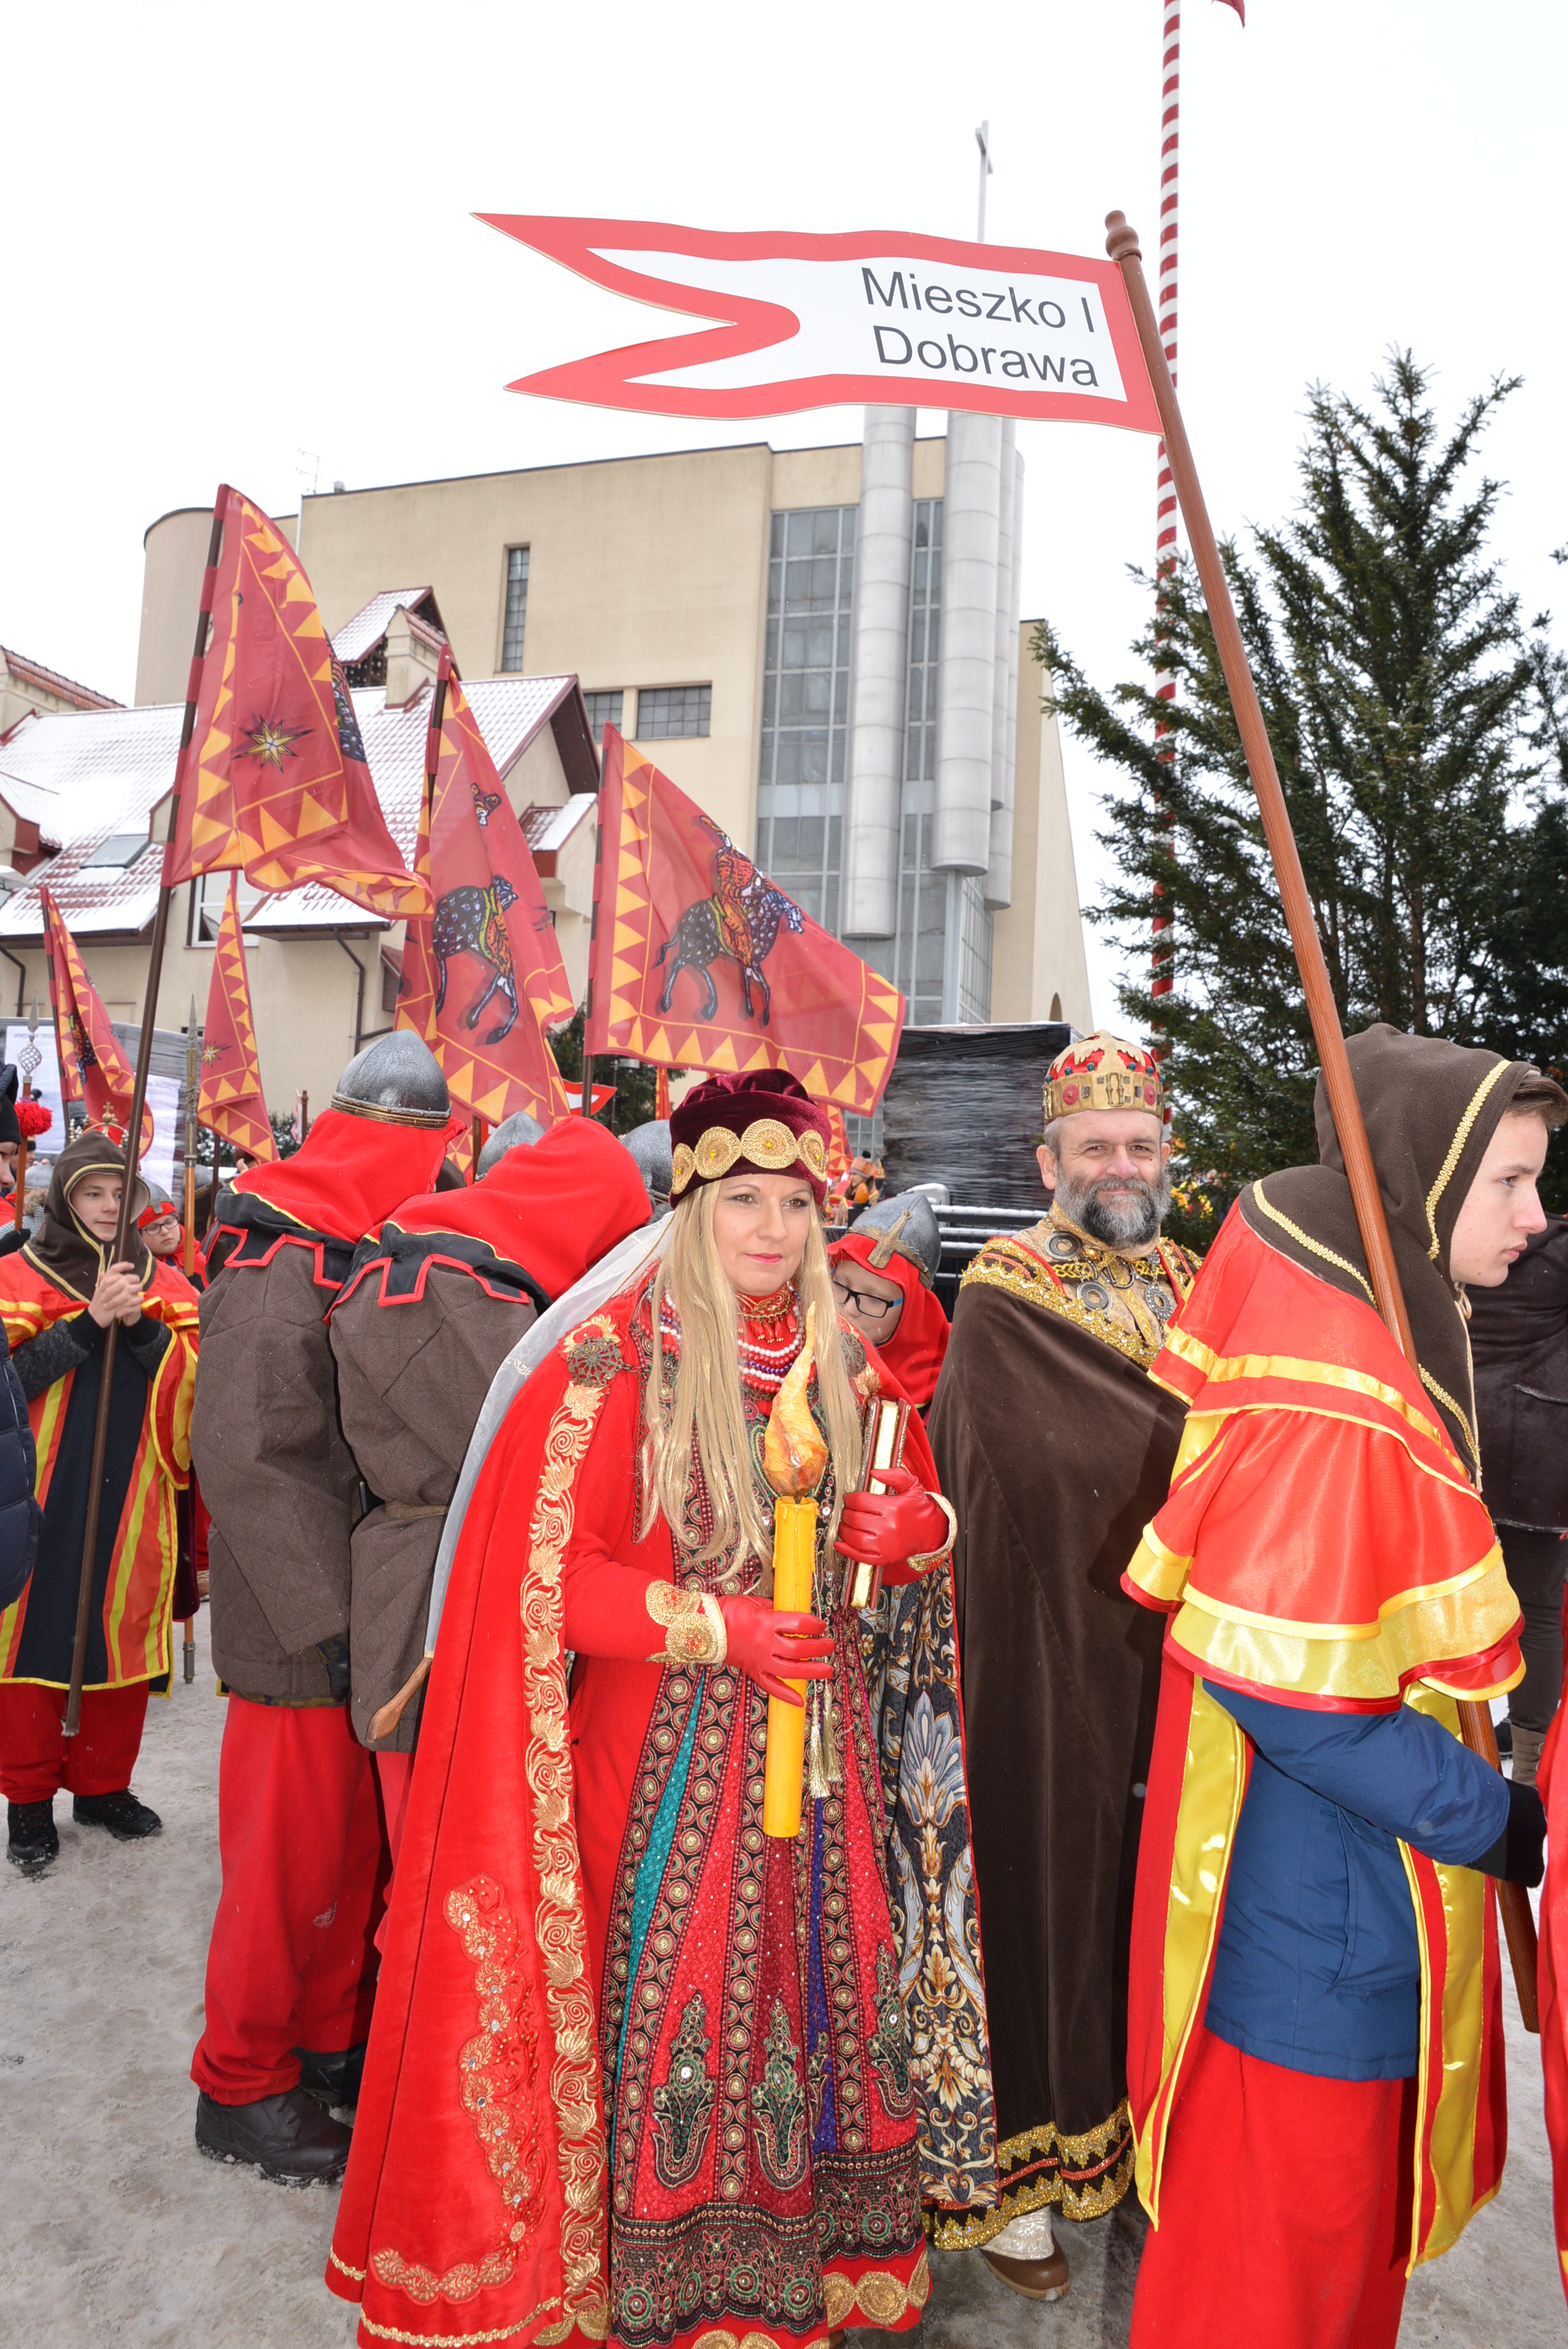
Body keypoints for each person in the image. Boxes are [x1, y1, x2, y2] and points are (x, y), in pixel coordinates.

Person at [326, 1071, 989, 2349]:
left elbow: (906, 1516)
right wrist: (719, 1626)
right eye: (742, 1199)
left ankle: (789, 2273)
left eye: (795, 1203)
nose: (772, 1228)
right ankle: (661, 2290)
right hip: (656, 1772)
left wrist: (917, 1530)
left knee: (810, 2008)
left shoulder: (844, 1359)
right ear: (688, 1204)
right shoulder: (612, 1358)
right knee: (670, 2027)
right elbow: (549, 1580)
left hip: (826, 1762)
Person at [1123, 1028, 1558, 2349]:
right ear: (1427, 1181)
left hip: (1362, 1916)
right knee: (1270, 2291)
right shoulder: (1334, 1389)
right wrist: (1485, 1812)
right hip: (1313, 1940)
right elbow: (1298, 1695)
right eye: (1510, 1182)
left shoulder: (1389, 1333)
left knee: (1339, 2278)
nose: (1537, 1218)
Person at [926, 1031, 1197, 2299]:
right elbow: (1020, 1470)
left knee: (1164, 1900)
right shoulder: (1004, 1289)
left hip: (1186, 1645)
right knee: (1047, 1883)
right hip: (1050, 1645)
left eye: (1139, 1143)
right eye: (1095, 1145)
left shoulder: (1202, 1279)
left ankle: (1150, 2134)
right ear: (1047, 1162)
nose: (1120, 1164)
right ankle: (1023, 2177)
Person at [188, 1033, 452, 2186]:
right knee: (282, 1863)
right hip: (296, 1611)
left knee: (350, 1850)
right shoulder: (281, 1249)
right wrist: (327, 1618)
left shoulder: (359, 1237)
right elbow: (246, 1451)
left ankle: (323, 2041)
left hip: (362, 1599)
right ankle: (240, 2081)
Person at [326, 1115, 650, 1855]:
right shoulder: (463, 1291)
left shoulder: (434, 1262)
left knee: (437, 1839)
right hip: (447, 1582)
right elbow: (539, 1459)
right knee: (448, 1856)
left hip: (427, 1565)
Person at [0, 1132, 199, 1870]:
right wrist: (89, 1324)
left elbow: (196, 1388)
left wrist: (141, 1324)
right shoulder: (14, 1277)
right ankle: (27, 1801)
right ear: (65, 1198)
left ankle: (103, 1785)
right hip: (36, 1497)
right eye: (93, 1193)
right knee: (28, 1639)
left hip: (135, 1494)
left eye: (121, 1194)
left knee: (120, 1636)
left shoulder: (167, 1283)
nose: (110, 1206)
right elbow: (8, 1385)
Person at [1470, 1211, 1568, 1785]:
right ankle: (1528, 1770)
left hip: (1459, 1434)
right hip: (1541, 1452)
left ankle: (1455, 1737)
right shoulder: (1558, 1250)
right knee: (1539, 1610)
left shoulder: (1456, 1236)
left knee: (1435, 1594)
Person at [828, 1189, 950, 1412]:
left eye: (874, 1299)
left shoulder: (942, 1394)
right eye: (840, 1285)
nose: (849, 1308)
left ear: (911, 1313)